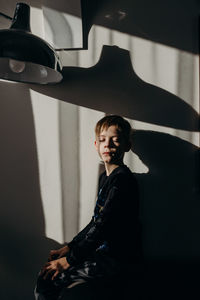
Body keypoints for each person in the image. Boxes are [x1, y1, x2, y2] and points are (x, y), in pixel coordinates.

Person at [35, 115, 142, 300]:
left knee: (48, 279)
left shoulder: (123, 180)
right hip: (101, 252)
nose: (107, 144)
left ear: (127, 146)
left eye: (115, 140)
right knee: (49, 270)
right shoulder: (106, 178)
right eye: (102, 140)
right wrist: (70, 247)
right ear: (96, 145)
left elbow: (103, 225)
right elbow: (95, 220)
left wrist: (70, 260)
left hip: (115, 258)